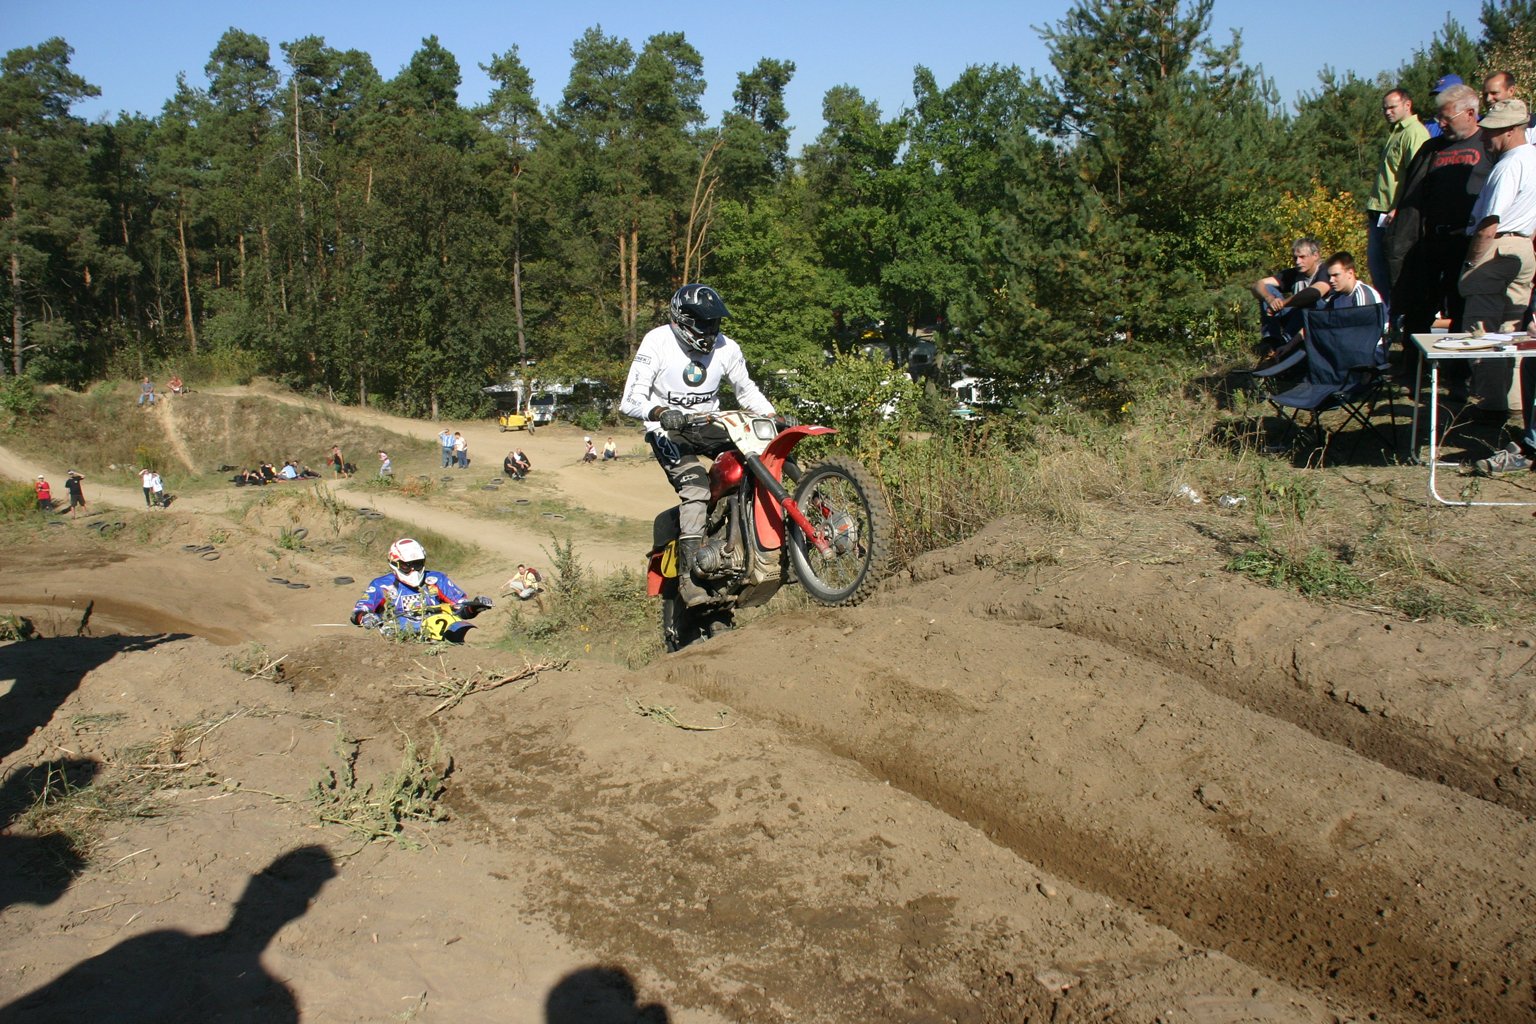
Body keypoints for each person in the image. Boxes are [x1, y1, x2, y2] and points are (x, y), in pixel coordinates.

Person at [621, 283, 776, 606]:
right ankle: (689, 578)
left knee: (761, 455)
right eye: (703, 323)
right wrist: (660, 412)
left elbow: (746, 390)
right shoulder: (657, 342)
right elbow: (630, 400)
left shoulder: (727, 347)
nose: (710, 329)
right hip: (668, 430)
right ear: (681, 320)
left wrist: (772, 416)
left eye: (714, 322)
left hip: (710, 423)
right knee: (696, 489)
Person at [1388, 83, 1491, 395]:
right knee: (1418, 309)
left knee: (1461, 311)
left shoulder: (1487, 145)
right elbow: (1413, 195)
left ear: (1470, 113)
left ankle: (1458, 379)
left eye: (1447, 117)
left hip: (1467, 242)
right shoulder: (1432, 149)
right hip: (1431, 241)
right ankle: (1414, 374)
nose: (1440, 123)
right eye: (1439, 116)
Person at [351, 537, 489, 642]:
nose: (413, 570)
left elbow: (461, 608)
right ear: (395, 564)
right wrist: (366, 617)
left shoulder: (436, 579)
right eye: (406, 566)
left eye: (417, 564)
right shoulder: (382, 585)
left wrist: (475, 606)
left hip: (439, 638)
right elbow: (359, 611)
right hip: (398, 640)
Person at [1366, 88, 1430, 314]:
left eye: (1392, 107)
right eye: (1384, 108)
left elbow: (1418, 175)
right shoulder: (1396, 132)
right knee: (1378, 268)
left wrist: (1399, 208)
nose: (1387, 112)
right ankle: (1391, 315)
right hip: (1379, 211)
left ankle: (1399, 317)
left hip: (1394, 214)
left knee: (1394, 270)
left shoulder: (1414, 132)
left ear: (1407, 105)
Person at [1250, 238, 1330, 355]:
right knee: (1267, 289)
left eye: (1302, 257)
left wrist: (1282, 304)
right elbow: (1257, 285)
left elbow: (1314, 293)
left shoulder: (1326, 271)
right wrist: (1270, 299)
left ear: (1316, 255)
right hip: (1296, 319)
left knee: (1313, 303)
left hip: (1317, 322)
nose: (1297, 262)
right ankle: (1271, 340)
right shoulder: (1294, 273)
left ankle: (1286, 341)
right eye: (1295, 258)